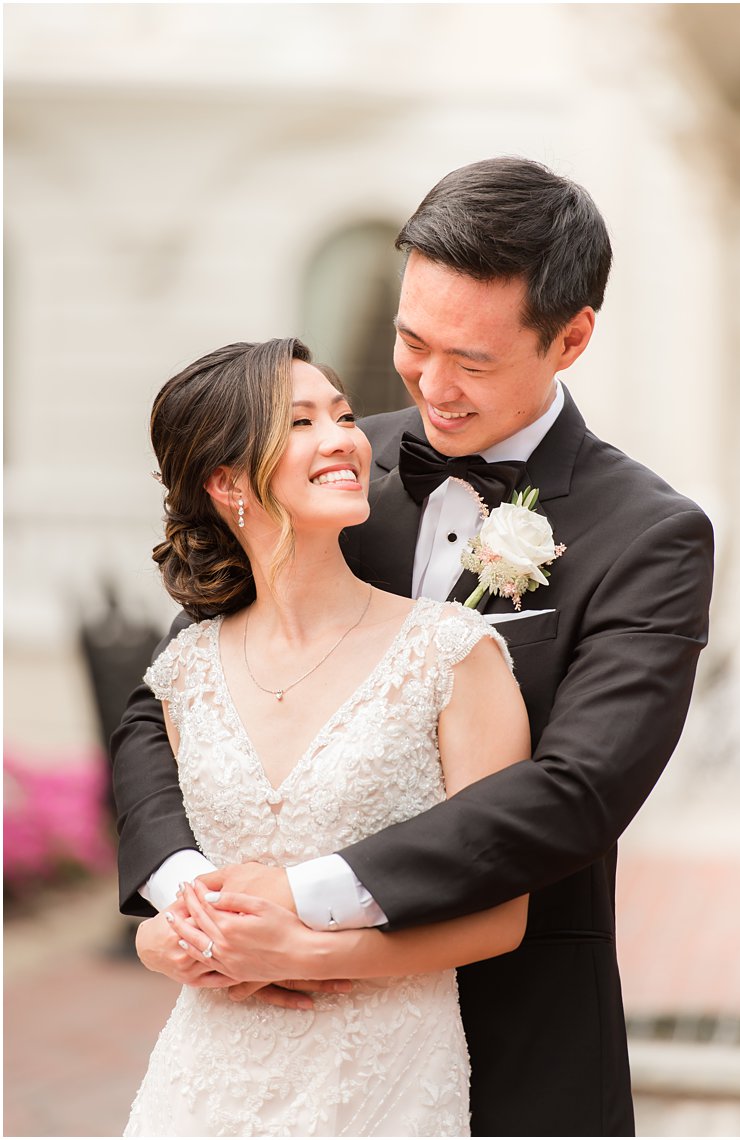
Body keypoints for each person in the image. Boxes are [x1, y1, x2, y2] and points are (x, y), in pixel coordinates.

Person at [113, 157, 717, 1135]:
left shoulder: (651, 534)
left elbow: (577, 790)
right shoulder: (332, 466)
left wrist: (302, 907)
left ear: (569, 339)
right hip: (262, 1037)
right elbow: (164, 701)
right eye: (410, 341)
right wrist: (198, 901)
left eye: (471, 361)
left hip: (520, 1029)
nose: (431, 385)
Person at [124, 338, 529, 1134]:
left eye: (342, 415)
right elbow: (178, 889)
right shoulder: (185, 674)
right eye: (301, 421)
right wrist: (159, 946)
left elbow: (500, 913)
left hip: (381, 1076)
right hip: (206, 1075)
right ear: (226, 481)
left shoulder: (451, 652)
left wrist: (308, 955)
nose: (344, 437)